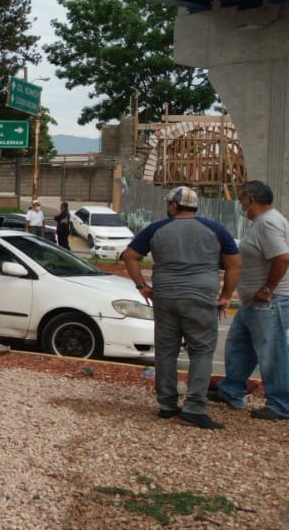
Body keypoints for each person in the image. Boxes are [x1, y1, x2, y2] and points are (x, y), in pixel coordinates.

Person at [123, 186, 240, 429]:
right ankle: (195, 407)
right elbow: (235, 264)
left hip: (165, 297)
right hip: (200, 297)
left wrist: (141, 285)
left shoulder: (157, 228)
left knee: (166, 350)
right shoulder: (216, 229)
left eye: (169, 204)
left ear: (174, 206)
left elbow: (130, 256)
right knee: (201, 351)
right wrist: (225, 296)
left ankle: (167, 404)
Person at [210, 180, 289, 421]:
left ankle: (280, 404)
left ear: (251, 199)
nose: (239, 202)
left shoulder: (268, 223)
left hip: (268, 301)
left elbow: (283, 257)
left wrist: (267, 289)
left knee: (271, 352)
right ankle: (231, 390)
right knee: (239, 346)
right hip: (253, 302)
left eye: (242, 198)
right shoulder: (263, 222)